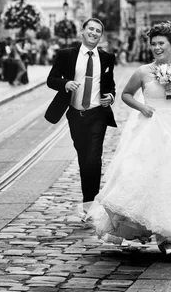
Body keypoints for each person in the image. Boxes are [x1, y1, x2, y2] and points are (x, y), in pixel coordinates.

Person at [86, 21, 171, 255]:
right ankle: (164, 239)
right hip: (152, 129)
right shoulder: (143, 71)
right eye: (153, 44)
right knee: (154, 179)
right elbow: (126, 95)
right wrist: (142, 108)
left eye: (161, 43)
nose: (156, 48)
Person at [45, 18, 117, 216]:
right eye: (91, 29)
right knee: (84, 159)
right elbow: (51, 80)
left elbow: (110, 85)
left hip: (98, 115)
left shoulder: (107, 57)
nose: (94, 33)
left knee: (94, 158)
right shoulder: (66, 55)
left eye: (98, 31)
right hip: (76, 115)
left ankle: (90, 204)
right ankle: (89, 200)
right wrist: (65, 83)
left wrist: (110, 96)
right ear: (82, 32)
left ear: (101, 35)